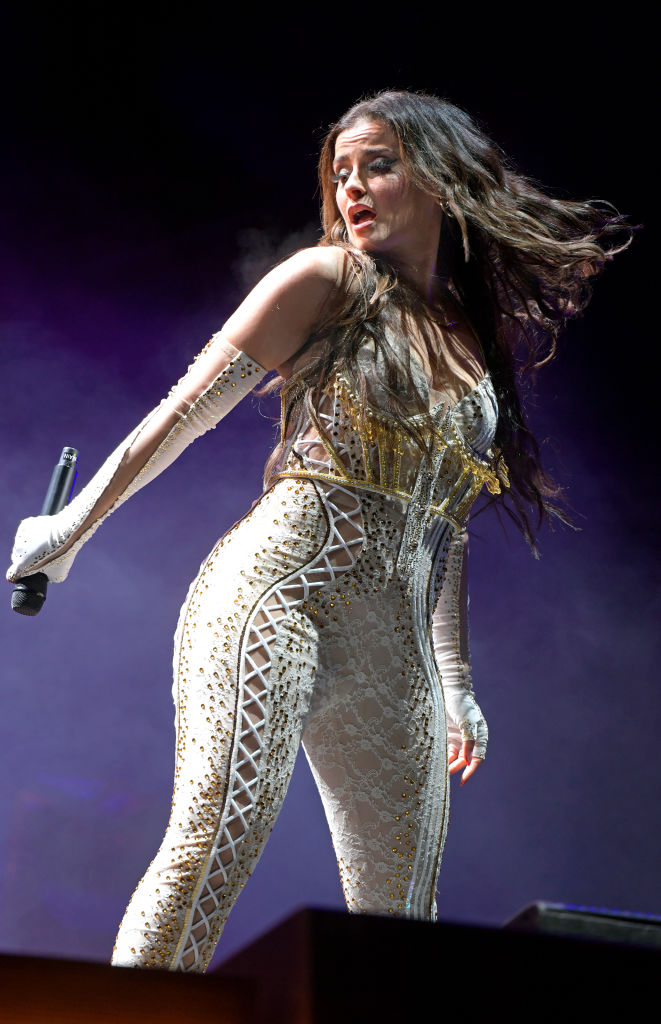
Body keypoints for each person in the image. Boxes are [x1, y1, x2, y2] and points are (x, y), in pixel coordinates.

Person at [6, 90, 633, 972]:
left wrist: (455, 684)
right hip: (273, 593)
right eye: (340, 173)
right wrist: (70, 529)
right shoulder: (325, 279)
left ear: (441, 179)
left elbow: (443, 525)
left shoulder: (470, 340)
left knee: (403, 921)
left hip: (395, 645)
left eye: (378, 165)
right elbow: (183, 412)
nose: (353, 188)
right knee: (209, 847)